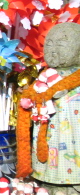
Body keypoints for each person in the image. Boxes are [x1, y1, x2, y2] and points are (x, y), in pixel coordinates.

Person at [31, 23, 80, 184]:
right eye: (49, 44)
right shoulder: (45, 75)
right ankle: (46, 176)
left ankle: (73, 179)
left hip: (72, 124)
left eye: (60, 44)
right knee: (50, 142)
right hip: (49, 123)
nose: (53, 50)